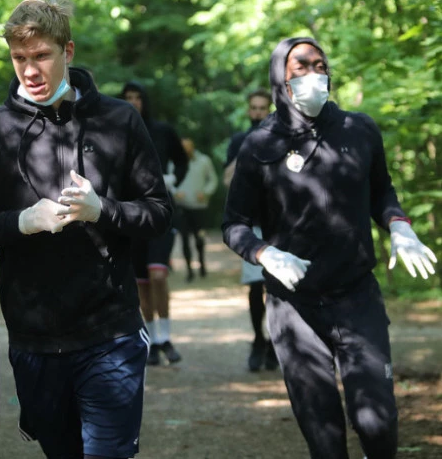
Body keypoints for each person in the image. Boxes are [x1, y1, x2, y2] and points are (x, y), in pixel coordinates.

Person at [0, 0, 172, 459]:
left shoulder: (119, 120)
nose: (30, 70)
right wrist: (21, 221)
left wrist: (102, 210)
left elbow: (159, 214)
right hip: (35, 338)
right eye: (19, 58)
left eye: (41, 55)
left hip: (111, 331)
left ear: (67, 51)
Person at [223, 37, 437, 458]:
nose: (313, 74)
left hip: (356, 295)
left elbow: (382, 191)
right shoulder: (259, 143)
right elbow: (234, 224)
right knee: (323, 434)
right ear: (281, 79)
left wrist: (400, 226)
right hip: (293, 307)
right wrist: (265, 254)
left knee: (377, 422)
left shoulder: (359, 129)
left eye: (320, 66)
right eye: (301, 67)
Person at [121, 81, 188, 366]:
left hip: (161, 212)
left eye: (138, 97)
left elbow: (182, 161)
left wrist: (173, 180)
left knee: (158, 275)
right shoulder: (116, 130)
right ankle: (152, 341)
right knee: (142, 283)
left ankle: (166, 337)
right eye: (128, 97)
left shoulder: (162, 130)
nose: (134, 102)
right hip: (131, 214)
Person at [223, 89, 279, 372]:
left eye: (262, 108)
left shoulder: (280, 138)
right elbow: (227, 180)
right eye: (253, 108)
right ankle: (258, 339)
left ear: (270, 110)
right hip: (252, 225)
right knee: (256, 287)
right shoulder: (239, 141)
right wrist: (248, 148)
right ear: (248, 110)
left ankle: (275, 344)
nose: (257, 112)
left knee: (277, 287)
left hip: (279, 223)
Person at [172, 138, 218, 282]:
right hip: (182, 206)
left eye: (188, 147)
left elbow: (213, 180)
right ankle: (189, 270)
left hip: (199, 207)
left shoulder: (204, 161)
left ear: (193, 147)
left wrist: (205, 192)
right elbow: (168, 181)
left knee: (200, 237)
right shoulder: (173, 162)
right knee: (184, 239)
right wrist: (175, 192)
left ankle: (202, 264)